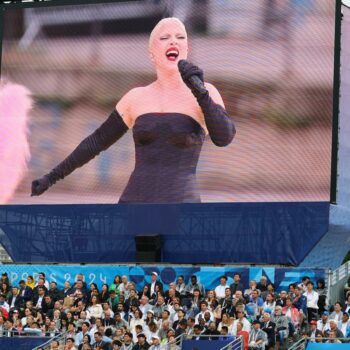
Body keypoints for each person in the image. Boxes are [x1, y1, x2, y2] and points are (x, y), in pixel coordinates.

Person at [31, 17, 236, 203]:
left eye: (180, 37)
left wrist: (199, 92)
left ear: (187, 48)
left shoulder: (205, 91)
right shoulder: (135, 97)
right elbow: (95, 142)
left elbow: (224, 137)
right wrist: (52, 177)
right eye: (164, 37)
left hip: (182, 208)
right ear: (152, 54)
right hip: (134, 206)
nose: (173, 41)